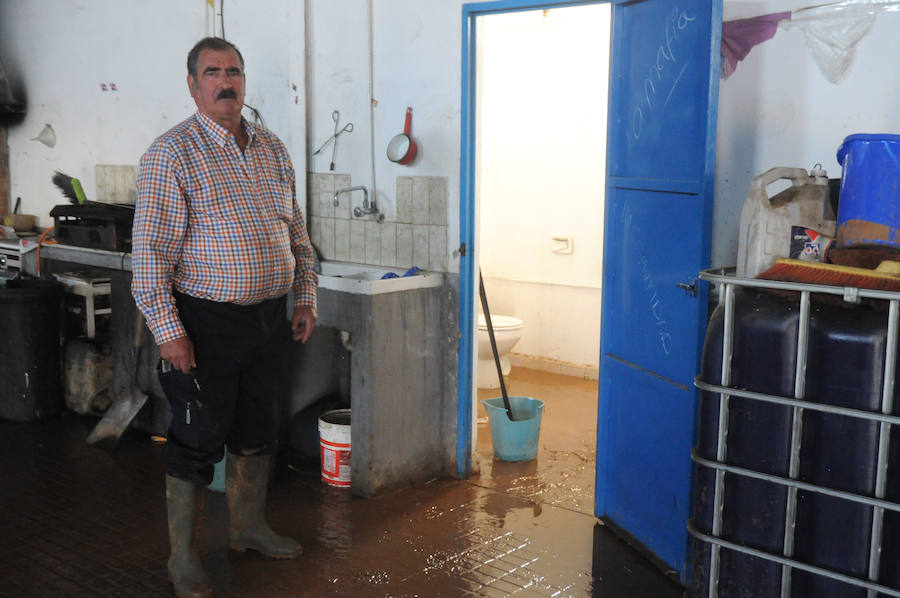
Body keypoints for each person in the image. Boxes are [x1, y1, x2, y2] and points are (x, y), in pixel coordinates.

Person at [131, 37, 318, 598]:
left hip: (268, 319)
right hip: (204, 321)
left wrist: (305, 295)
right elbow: (150, 258)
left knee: (258, 428)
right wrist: (170, 333)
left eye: (233, 71)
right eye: (212, 72)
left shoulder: (271, 148)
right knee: (195, 437)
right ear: (193, 85)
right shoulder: (171, 154)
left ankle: (248, 527)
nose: (225, 81)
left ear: (244, 79)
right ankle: (183, 558)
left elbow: (296, 234)